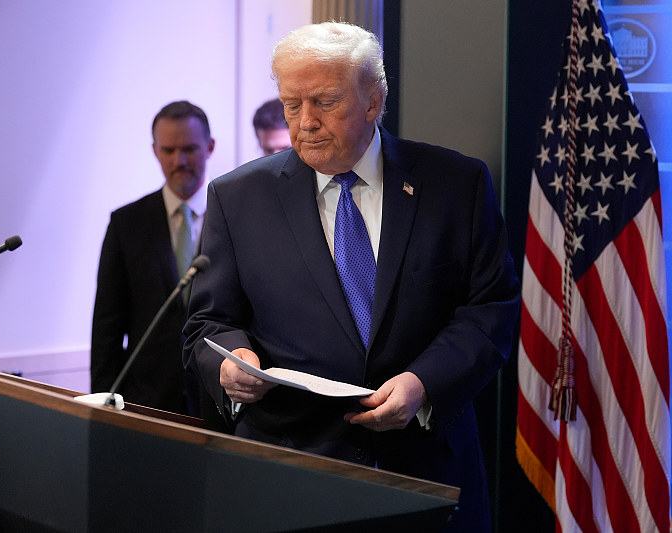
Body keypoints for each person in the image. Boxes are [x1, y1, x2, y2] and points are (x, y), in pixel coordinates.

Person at [183, 22, 520, 533]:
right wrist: (231, 364)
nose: (305, 123)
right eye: (291, 104)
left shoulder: (457, 184)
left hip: (425, 475)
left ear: (374, 101)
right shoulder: (238, 197)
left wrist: (422, 384)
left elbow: (489, 311)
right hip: (288, 474)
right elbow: (208, 322)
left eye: (324, 101)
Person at [91, 100, 215, 419]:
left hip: (219, 403)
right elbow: (107, 324)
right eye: (169, 150)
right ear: (155, 151)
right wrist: (104, 405)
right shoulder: (126, 224)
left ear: (210, 147)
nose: (180, 161)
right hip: (146, 403)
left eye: (189, 148)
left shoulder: (233, 216)